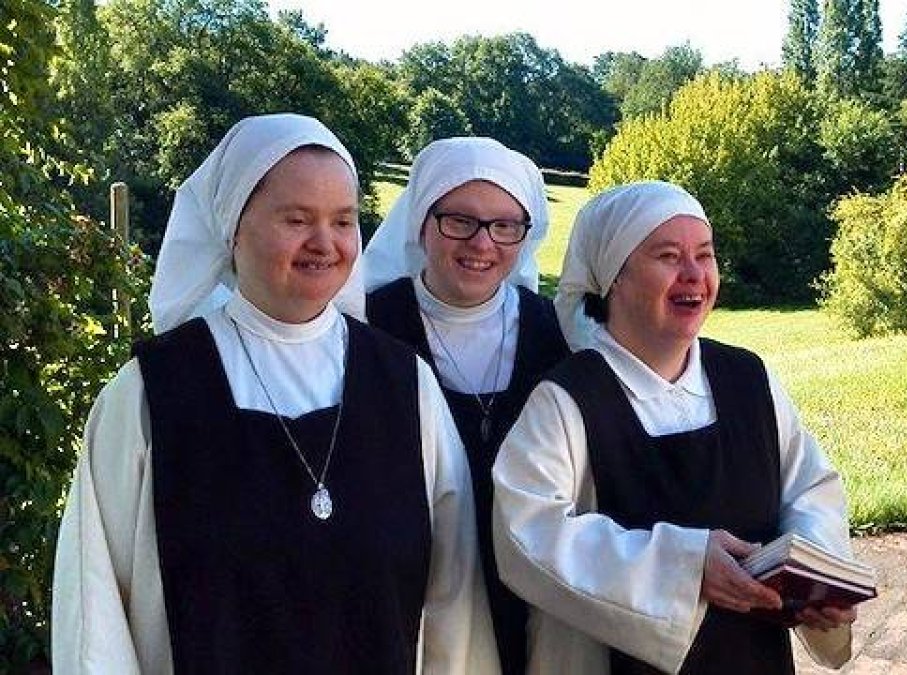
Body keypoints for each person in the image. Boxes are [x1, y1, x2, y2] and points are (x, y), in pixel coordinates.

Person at [51, 114, 498, 674]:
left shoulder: (406, 385)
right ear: (234, 227)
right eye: (297, 219)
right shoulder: (154, 392)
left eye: (343, 220)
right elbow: (95, 610)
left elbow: (455, 601)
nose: (325, 243)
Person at [492, 180, 858, 675]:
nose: (694, 274)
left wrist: (815, 581)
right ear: (613, 278)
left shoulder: (748, 378)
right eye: (668, 256)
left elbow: (810, 491)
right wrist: (683, 568)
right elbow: (526, 534)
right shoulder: (566, 399)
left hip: (752, 657)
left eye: (704, 255)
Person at [361, 137, 569, 675]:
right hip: (415, 600)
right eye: (460, 220)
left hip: (533, 595)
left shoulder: (554, 332)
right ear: (421, 223)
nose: (483, 242)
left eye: (505, 225)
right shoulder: (368, 327)